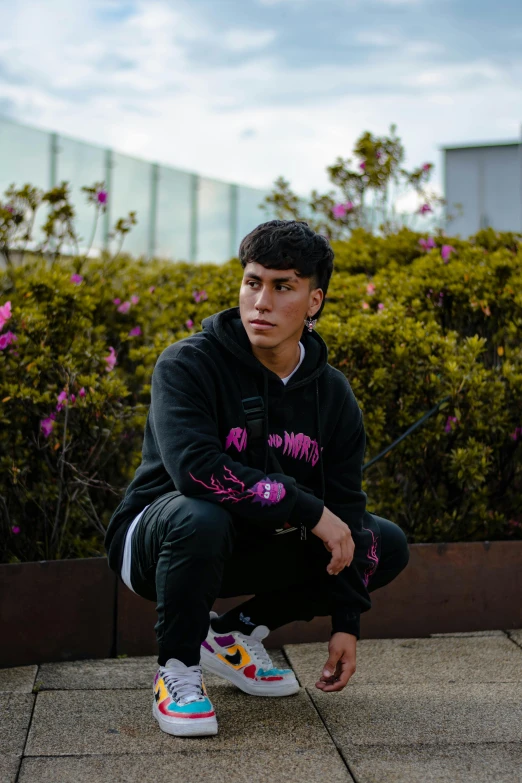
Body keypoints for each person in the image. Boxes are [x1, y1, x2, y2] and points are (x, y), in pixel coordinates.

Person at [104, 219, 410, 737]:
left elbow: (348, 508)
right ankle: (177, 670)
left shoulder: (331, 395)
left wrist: (346, 622)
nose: (261, 302)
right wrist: (310, 511)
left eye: (282, 286)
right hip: (158, 541)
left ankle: (230, 635)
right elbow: (197, 471)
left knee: (383, 543)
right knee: (202, 514)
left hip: (252, 539)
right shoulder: (188, 364)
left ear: (313, 301)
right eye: (253, 282)